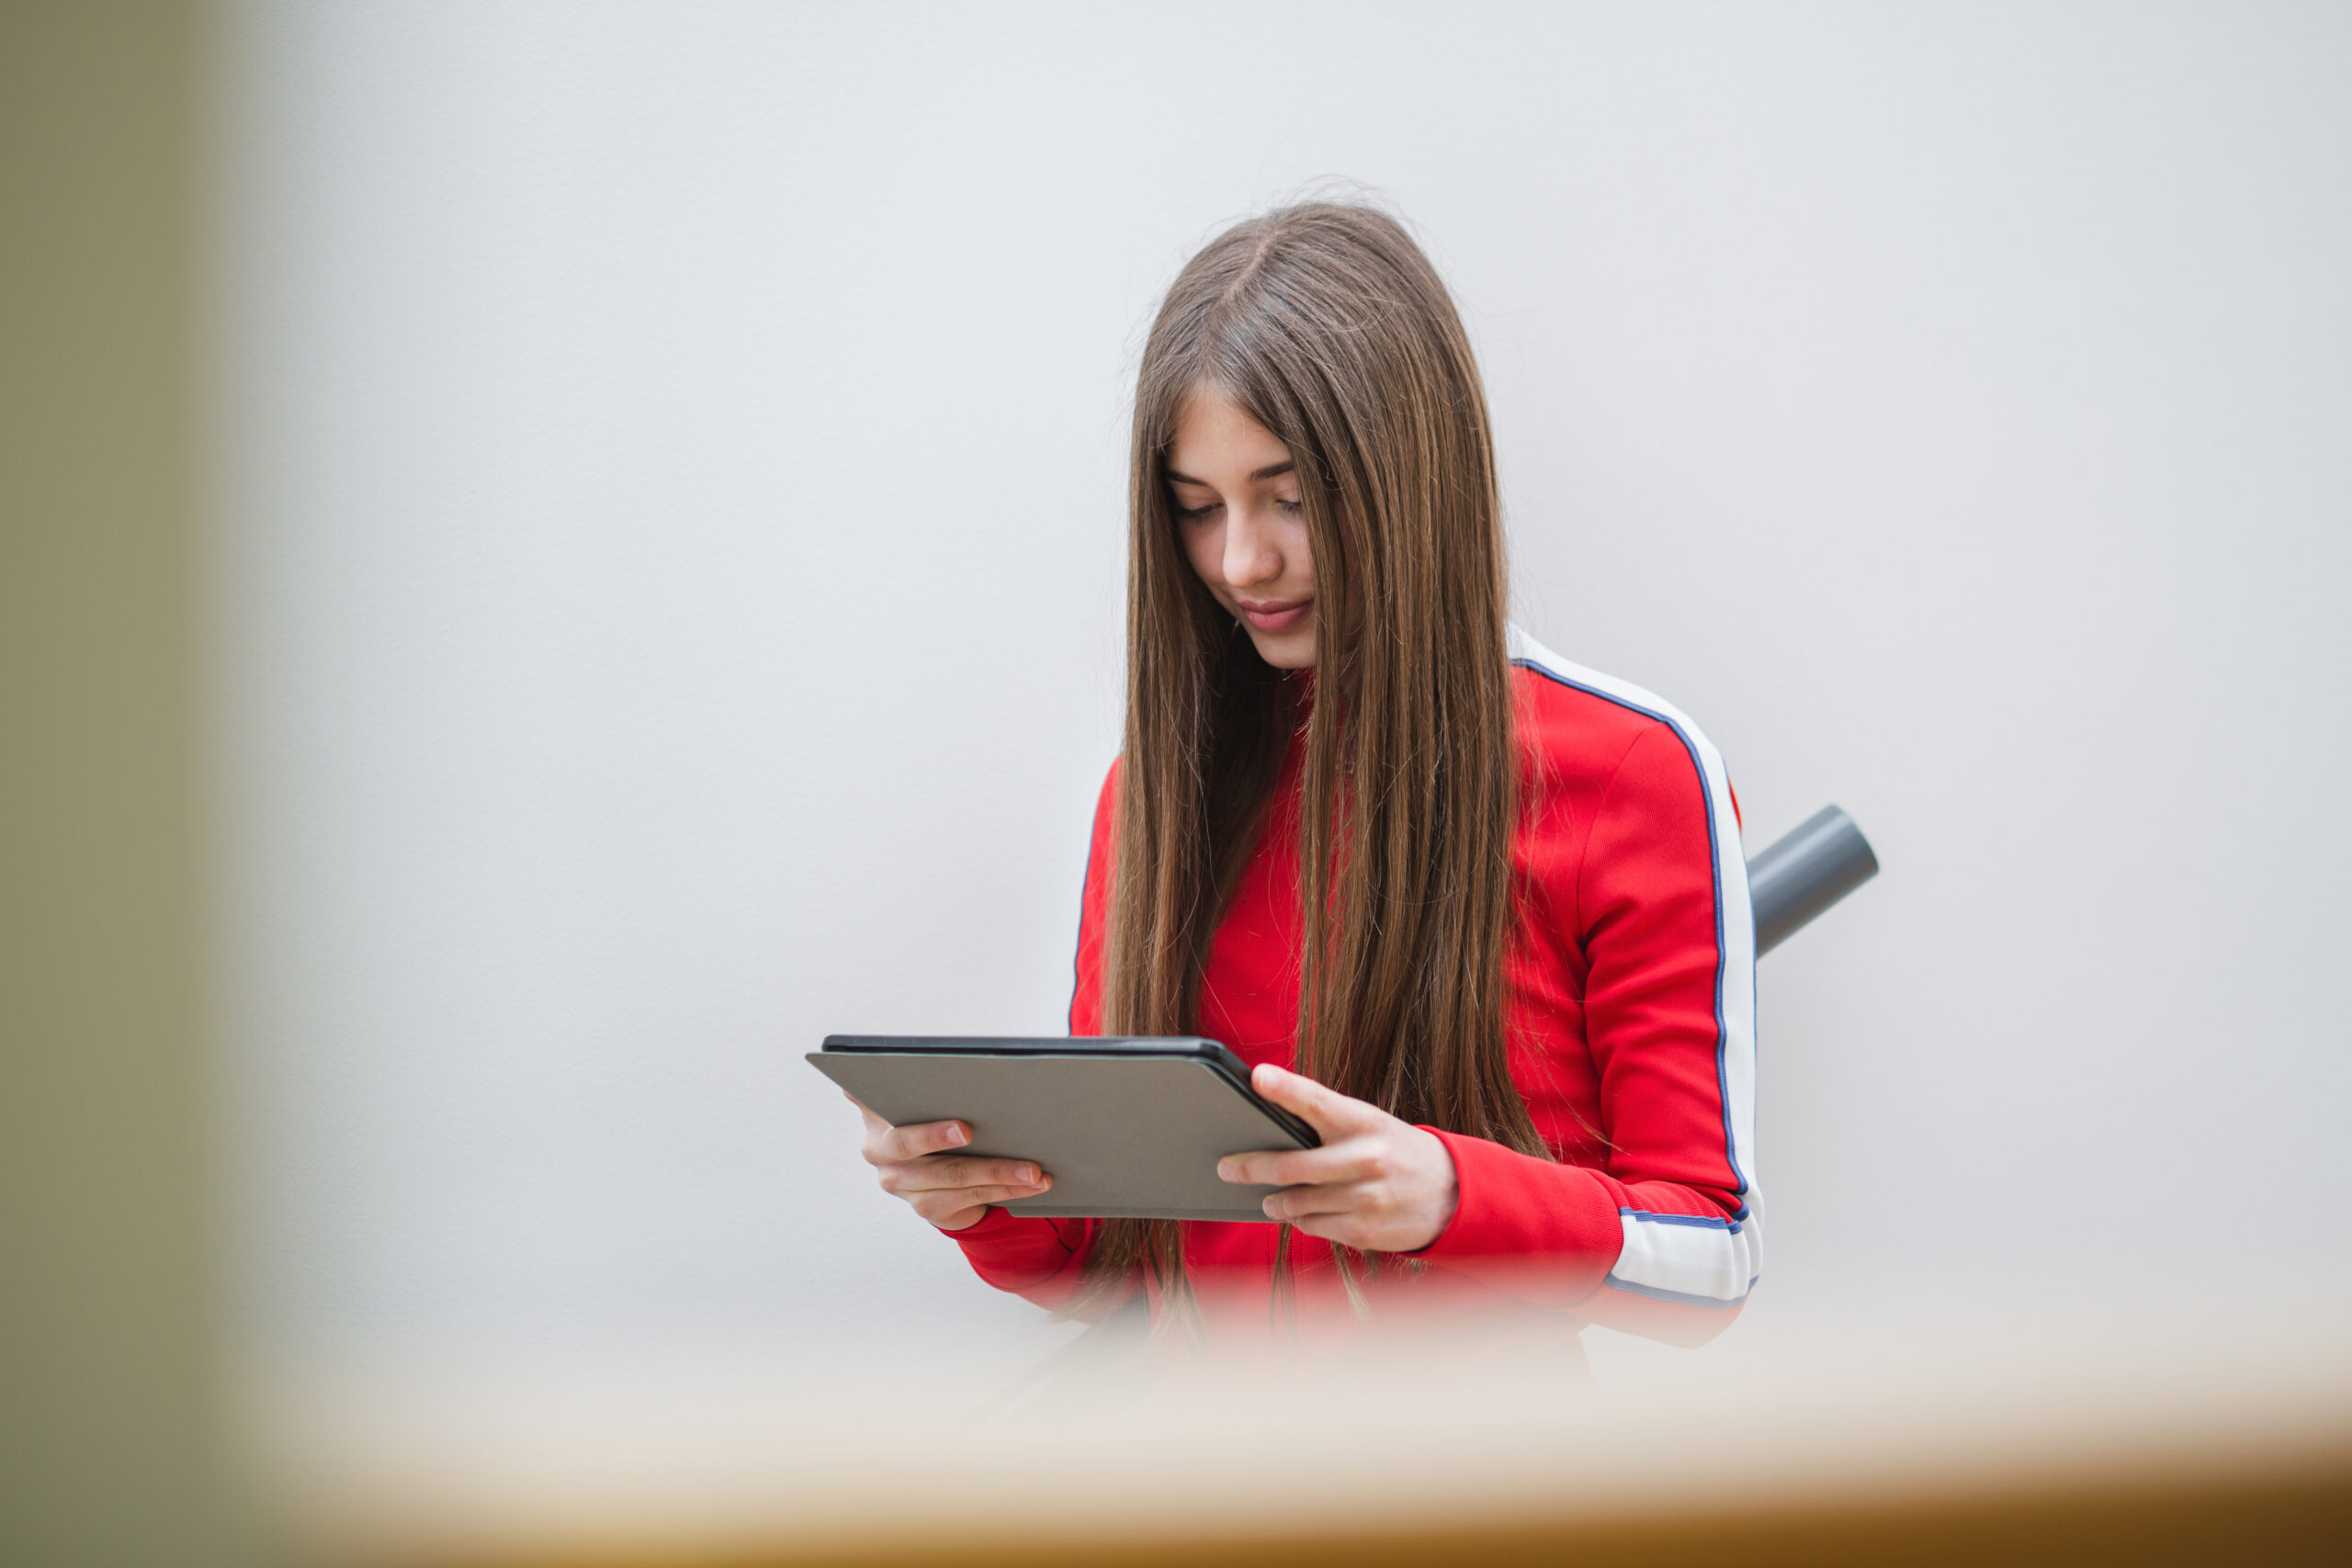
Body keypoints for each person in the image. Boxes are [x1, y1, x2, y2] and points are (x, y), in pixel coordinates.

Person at [853, 203, 1758, 1347]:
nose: (1243, 560)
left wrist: (1451, 1198)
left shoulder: (1631, 771)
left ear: (1409, 474)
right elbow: (1116, 1275)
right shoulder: (1151, 793)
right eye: (1198, 508)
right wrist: (982, 1201)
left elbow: (1712, 1266)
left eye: (1288, 498)